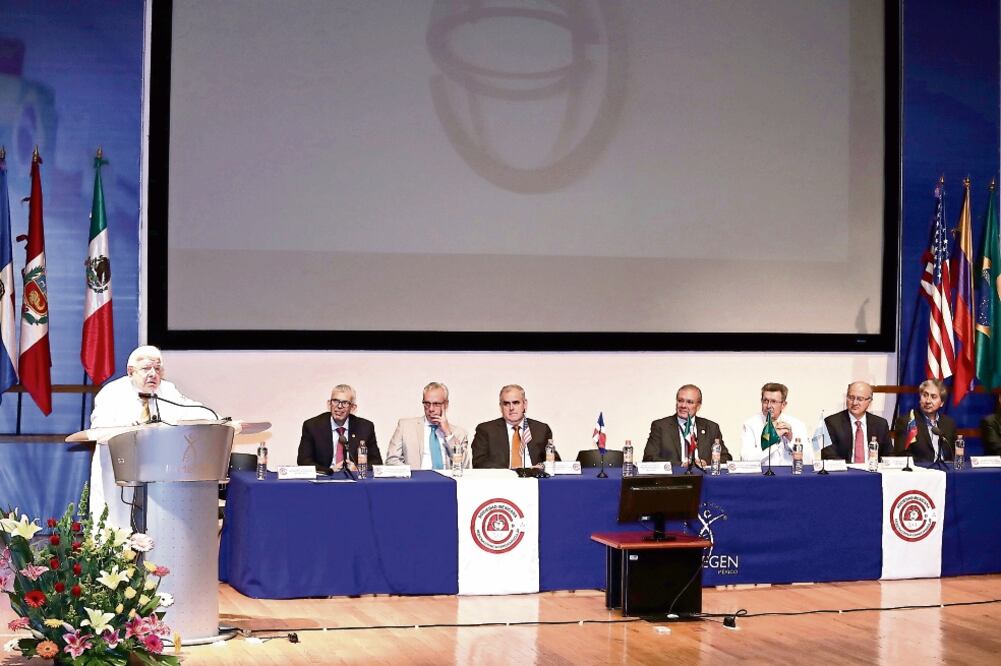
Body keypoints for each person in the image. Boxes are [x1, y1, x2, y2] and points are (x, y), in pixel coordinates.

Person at [89, 345, 216, 529]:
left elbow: (192, 410)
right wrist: (127, 427)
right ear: (130, 371)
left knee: (155, 523)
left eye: (157, 369)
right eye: (146, 368)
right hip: (119, 466)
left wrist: (220, 420)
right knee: (114, 525)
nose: (153, 374)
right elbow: (98, 428)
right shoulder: (112, 392)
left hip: (157, 469)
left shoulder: (167, 391)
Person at [471, 384, 559, 469]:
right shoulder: (486, 430)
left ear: (525, 404)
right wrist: (512, 471)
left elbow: (555, 462)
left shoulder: (541, 430)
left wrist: (542, 466)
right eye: (506, 404)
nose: (511, 408)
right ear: (501, 407)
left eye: (516, 403)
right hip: (502, 478)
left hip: (533, 477)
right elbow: (479, 463)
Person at [297, 384, 382, 471]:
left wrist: (358, 469)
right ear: (329, 404)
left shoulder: (365, 427)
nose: (339, 406)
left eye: (345, 403)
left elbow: (376, 462)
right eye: (335, 401)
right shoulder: (312, 426)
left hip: (354, 477)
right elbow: (304, 461)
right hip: (326, 477)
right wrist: (330, 471)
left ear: (353, 407)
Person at [385, 382, 469, 469]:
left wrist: (448, 434)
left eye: (436, 404)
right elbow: (391, 460)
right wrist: (413, 475)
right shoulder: (405, 427)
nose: (431, 409)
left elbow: (464, 466)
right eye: (427, 404)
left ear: (446, 404)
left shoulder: (459, 433)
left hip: (447, 477)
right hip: (416, 477)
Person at [642, 384, 732, 466]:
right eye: (680, 401)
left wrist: (706, 463)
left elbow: (725, 457)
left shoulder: (711, 427)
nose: (683, 405)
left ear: (698, 406)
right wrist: (680, 465)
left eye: (689, 402)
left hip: (702, 476)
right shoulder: (661, 426)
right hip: (674, 477)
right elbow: (649, 458)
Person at [739, 382, 812, 465]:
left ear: (783, 404)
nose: (768, 406)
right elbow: (746, 459)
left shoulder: (797, 424)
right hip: (763, 473)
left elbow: (809, 460)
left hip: (790, 472)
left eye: (773, 401)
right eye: (765, 401)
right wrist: (773, 438)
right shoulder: (750, 424)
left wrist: (791, 440)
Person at [821, 382, 893, 462]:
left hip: (872, 469)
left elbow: (888, 456)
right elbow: (829, 455)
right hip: (845, 469)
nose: (854, 403)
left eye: (860, 399)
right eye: (851, 397)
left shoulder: (880, 424)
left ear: (869, 401)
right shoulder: (831, 423)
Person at [893, 379, 956, 462]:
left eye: (933, 397)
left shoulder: (949, 424)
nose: (928, 401)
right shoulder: (907, 422)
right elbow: (901, 455)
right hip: (920, 469)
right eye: (925, 395)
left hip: (945, 469)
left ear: (941, 403)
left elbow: (953, 455)